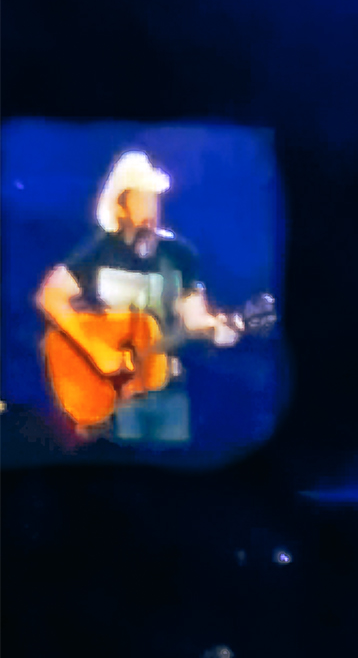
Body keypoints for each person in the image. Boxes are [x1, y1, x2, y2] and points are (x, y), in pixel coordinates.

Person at [34, 151, 241, 448]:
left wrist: (217, 327)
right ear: (120, 207)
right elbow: (50, 295)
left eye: (153, 199)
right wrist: (96, 349)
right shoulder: (99, 251)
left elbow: (194, 318)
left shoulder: (179, 255)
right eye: (140, 199)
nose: (150, 209)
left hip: (164, 387)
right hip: (110, 394)